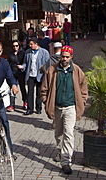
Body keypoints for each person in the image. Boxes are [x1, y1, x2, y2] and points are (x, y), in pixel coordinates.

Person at [41, 45, 88, 175]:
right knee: (59, 134)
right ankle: (59, 152)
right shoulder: (52, 70)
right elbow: (44, 88)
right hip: (57, 107)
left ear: (71, 57)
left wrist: (82, 101)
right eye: (63, 56)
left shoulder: (76, 70)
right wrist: (46, 101)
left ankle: (66, 161)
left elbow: (84, 88)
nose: (64, 59)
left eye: (67, 57)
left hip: (71, 107)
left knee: (69, 133)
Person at [22, 37, 49, 115]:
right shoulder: (28, 52)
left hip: (40, 75)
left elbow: (47, 64)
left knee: (39, 92)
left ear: (36, 44)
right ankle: (30, 109)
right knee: (30, 92)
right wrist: (23, 67)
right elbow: (25, 63)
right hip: (30, 75)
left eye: (31, 44)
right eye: (29, 44)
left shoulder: (44, 52)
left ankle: (38, 108)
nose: (30, 46)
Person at [7, 40, 27, 111]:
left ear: (19, 46)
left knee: (22, 88)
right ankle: (12, 105)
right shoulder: (10, 53)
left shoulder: (23, 53)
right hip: (13, 72)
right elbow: (8, 63)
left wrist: (22, 66)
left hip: (21, 72)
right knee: (13, 88)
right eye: (13, 46)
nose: (15, 47)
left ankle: (25, 102)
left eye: (16, 46)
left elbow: (25, 62)